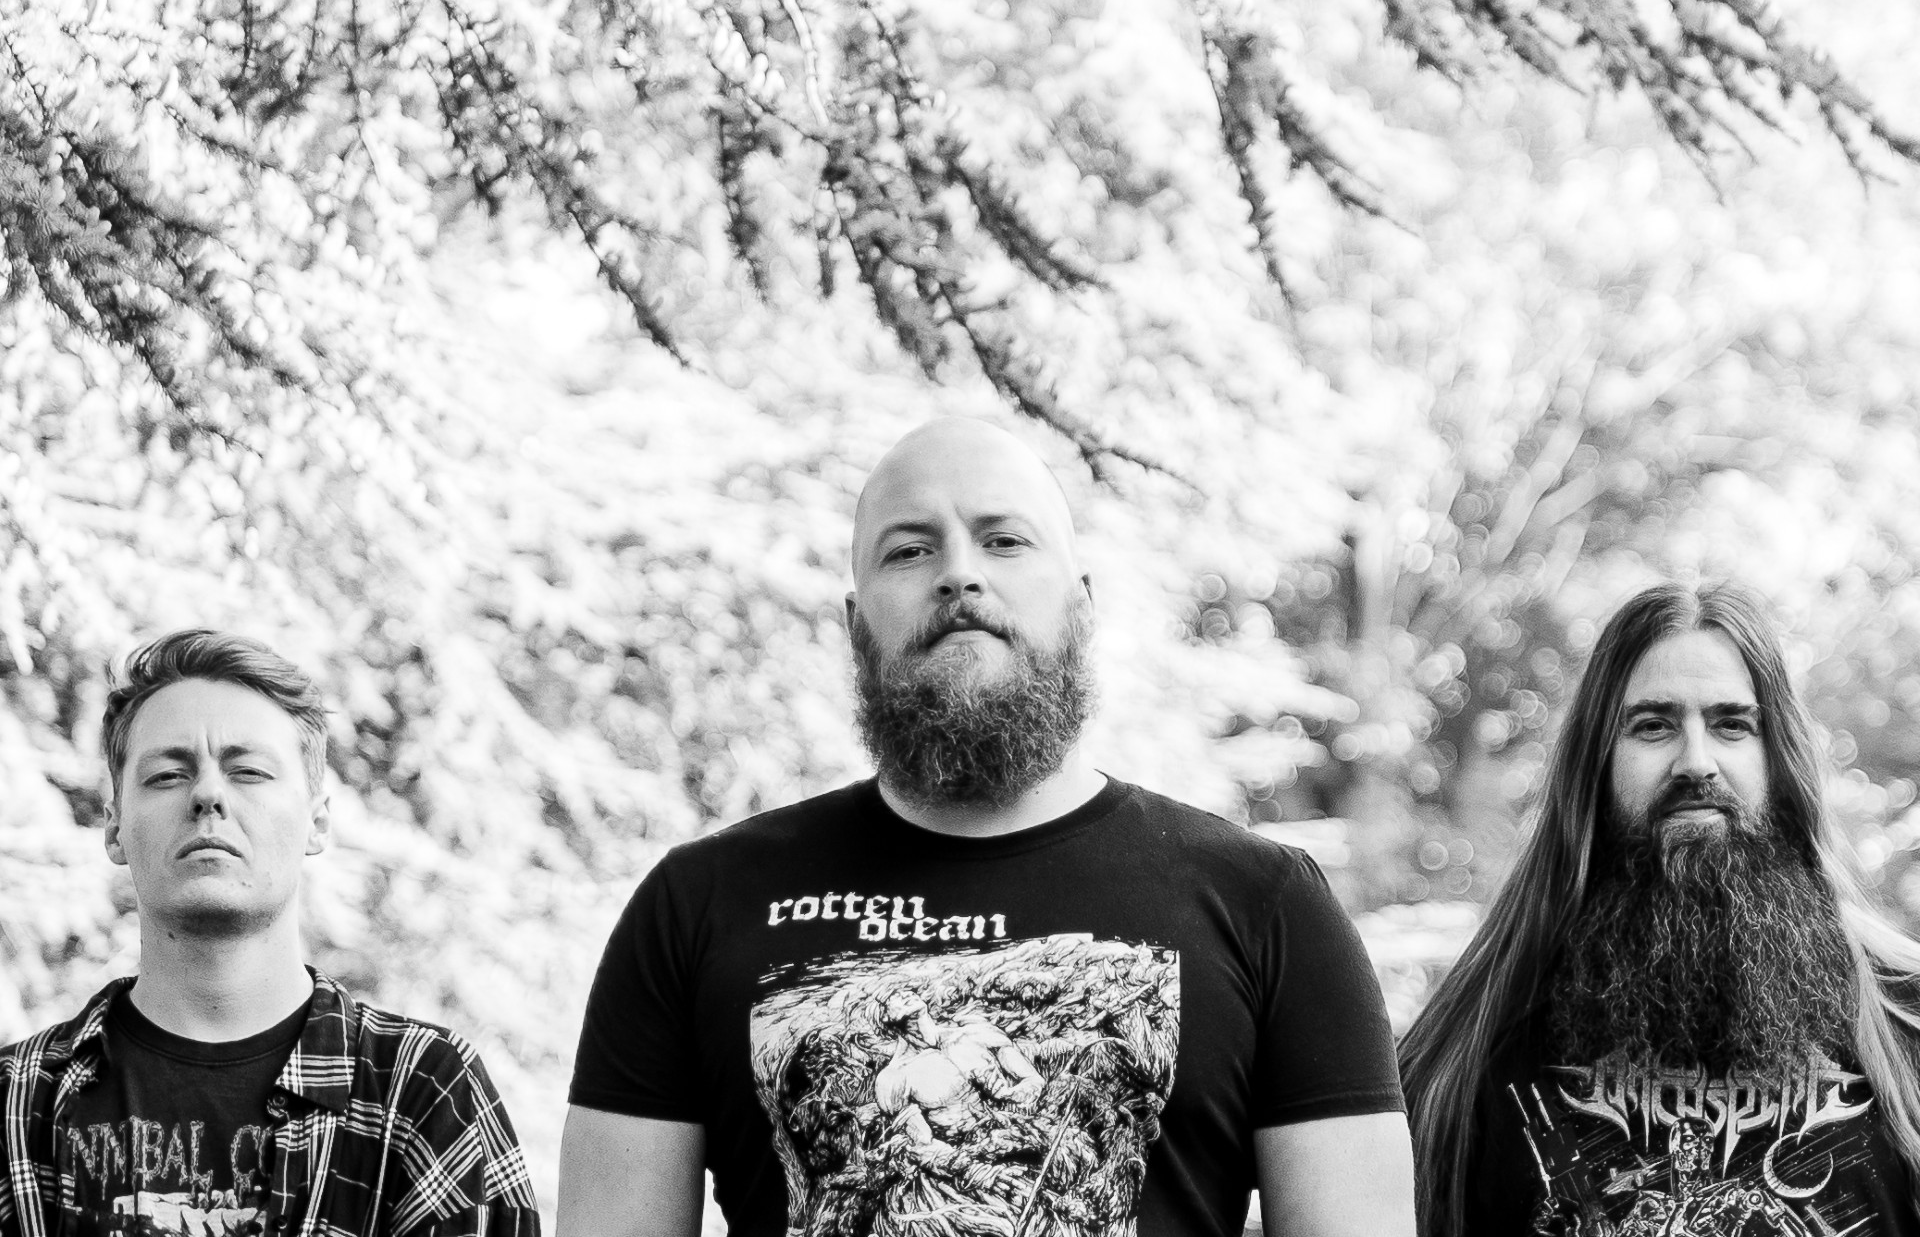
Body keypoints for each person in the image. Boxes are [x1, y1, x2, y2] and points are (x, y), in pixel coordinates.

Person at [560, 417, 1415, 1237]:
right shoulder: (695, 905)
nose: (959, 574)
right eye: (910, 549)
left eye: (1004, 540)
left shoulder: (1267, 907)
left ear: (1082, 604)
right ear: (855, 625)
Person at [1399, 582, 1920, 1237]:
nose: (1696, 762)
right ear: (1596, 767)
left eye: (1732, 724)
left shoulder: (1907, 1021)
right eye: (1653, 725)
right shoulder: (1461, 1061)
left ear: (1779, 760)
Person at [0, 630, 539, 1237]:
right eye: (168, 775)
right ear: (114, 826)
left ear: (317, 821)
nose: (208, 794)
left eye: (249, 771)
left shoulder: (421, 1092)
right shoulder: (18, 1104)